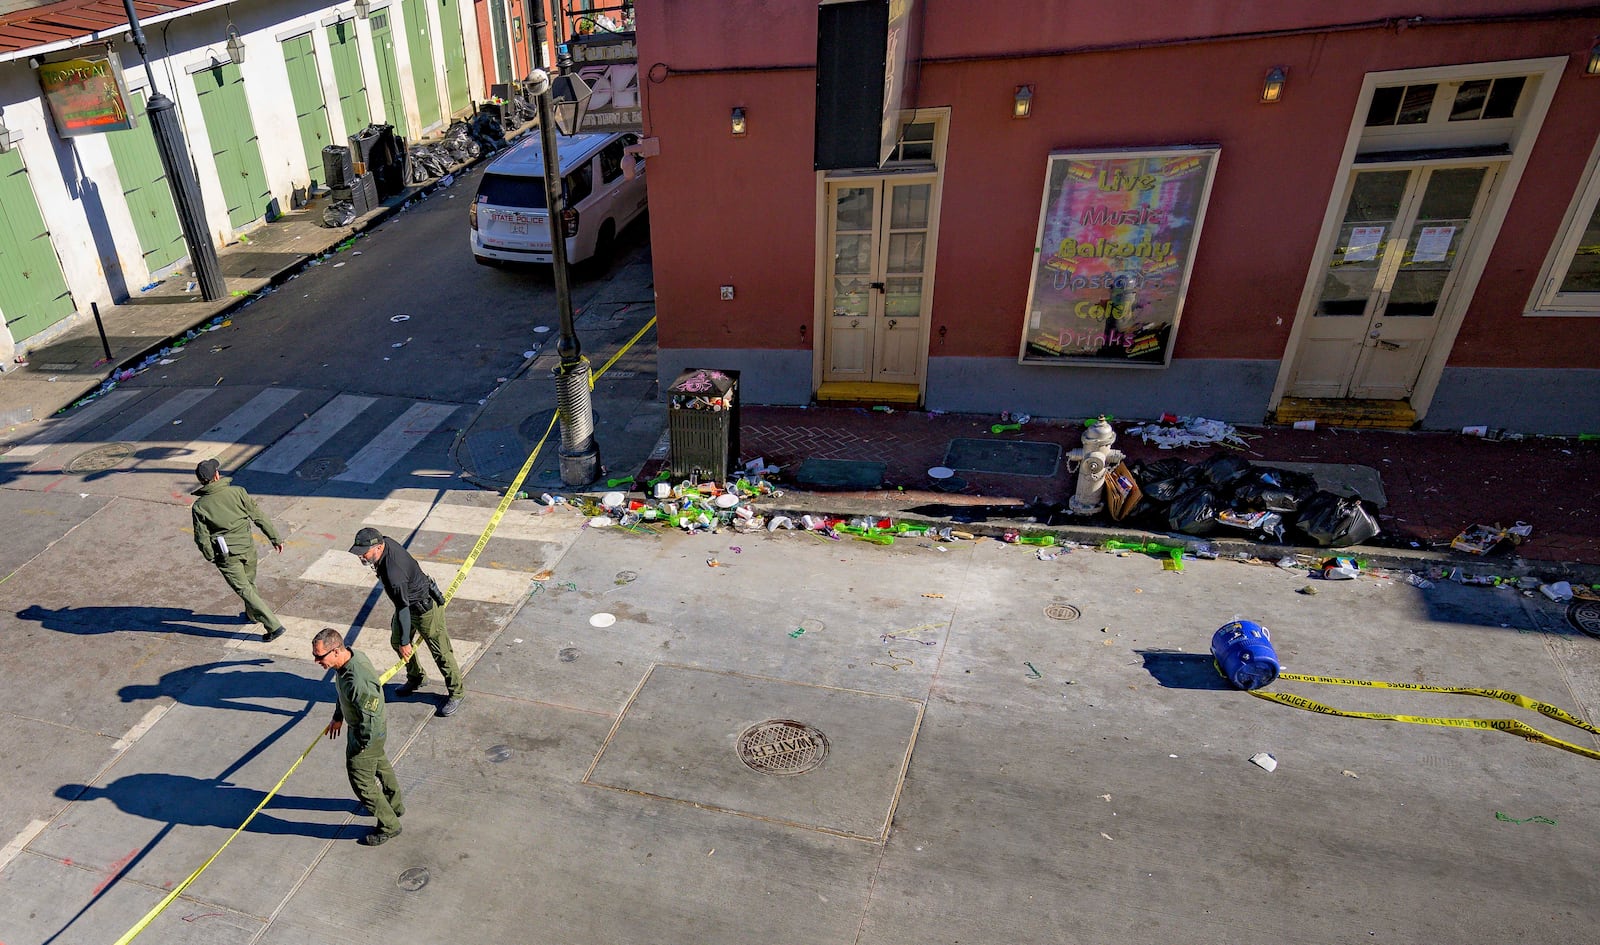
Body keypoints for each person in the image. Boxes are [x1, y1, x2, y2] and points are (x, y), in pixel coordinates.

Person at [349, 527, 464, 717]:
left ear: (378, 547)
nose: (360, 557)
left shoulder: (394, 572)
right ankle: (416, 677)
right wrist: (401, 641)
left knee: (441, 653)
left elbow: (402, 606)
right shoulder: (384, 543)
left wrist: (406, 642)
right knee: (396, 642)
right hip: (407, 606)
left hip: (423, 611)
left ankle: (457, 692)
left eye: (364, 553)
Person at [314, 628, 403, 845]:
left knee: (361, 780)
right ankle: (395, 805)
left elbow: (370, 718)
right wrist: (338, 715)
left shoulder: (358, 680)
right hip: (366, 732)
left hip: (366, 734)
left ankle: (389, 824)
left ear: (335, 651)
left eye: (319, 656)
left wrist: (363, 745)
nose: (316, 661)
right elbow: (343, 693)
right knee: (380, 765)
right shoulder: (345, 663)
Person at [191, 459, 286, 642]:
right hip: (248, 548)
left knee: (244, 589)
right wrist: (275, 538)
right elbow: (259, 517)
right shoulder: (238, 492)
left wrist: (211, 556)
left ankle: (273, 626)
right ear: (217, 475)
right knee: (249, 585)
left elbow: (201, 537)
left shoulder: (200, 507)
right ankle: (252, 615)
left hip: (226, 555)